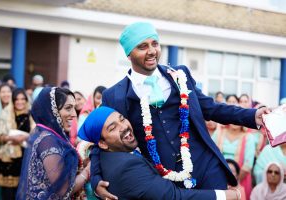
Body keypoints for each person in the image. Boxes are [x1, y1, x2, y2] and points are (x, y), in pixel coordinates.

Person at [91, 22, 269, 199]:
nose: (152, 51)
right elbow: (101, 141)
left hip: (206, 167)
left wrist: (252, 115)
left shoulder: (179, 74)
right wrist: (96, 178)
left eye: (155, 44)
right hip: (165, 180)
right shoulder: (114, 96)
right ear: (129, 54)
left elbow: (210, 108)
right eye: (142, 47)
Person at [79, 106, 240, 199]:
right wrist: (225, 196)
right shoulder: (127, 167)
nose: (124, 127)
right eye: (112, 128)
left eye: (122, 119)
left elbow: (96, 151)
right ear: (102, 143)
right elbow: (174, 197)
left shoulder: (108, 153)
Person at [16, 87, 89, 199]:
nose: (74, 114)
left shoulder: (53, 135)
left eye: (74, 108)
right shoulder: (48, 141)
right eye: (68, 108)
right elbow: (63, 190)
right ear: (51, 111)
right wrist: (88, 171)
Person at [0, 88, 35, 200]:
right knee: (7, 195)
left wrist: (24, 137)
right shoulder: (5, 113)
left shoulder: (31, 115)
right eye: (16, 99)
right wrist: (10, 138)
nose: (20, 102)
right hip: (8, 161)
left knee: (22, 194)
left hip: (25, 159)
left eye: (22, 99)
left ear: (26, 100)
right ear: (13, 100)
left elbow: (36, 134)